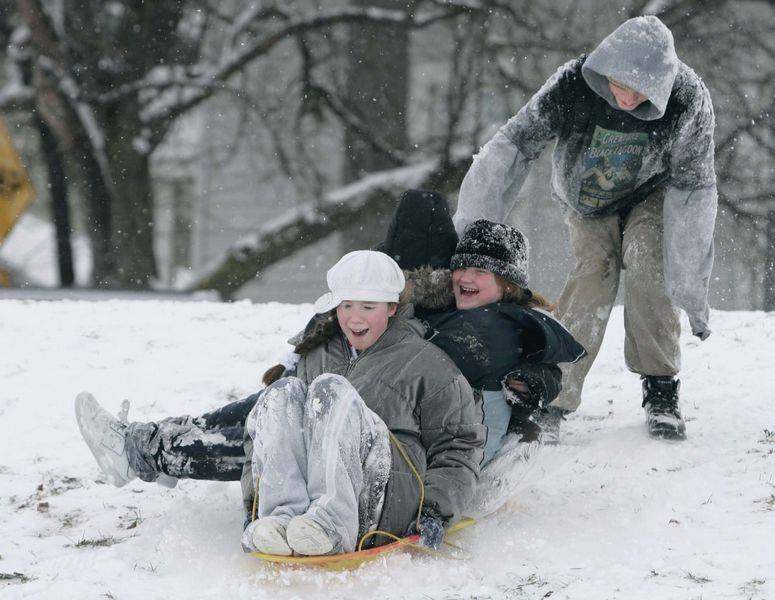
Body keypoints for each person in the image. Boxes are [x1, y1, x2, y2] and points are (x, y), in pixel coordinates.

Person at [453, 16, 717, 441]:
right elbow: (514, 146)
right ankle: (553, 392)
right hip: (585, 196)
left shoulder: (687, 99)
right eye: (618, 83)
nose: (625, 96)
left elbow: (695, 192)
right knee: (595, 271)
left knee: (647, 262)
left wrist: (691, 286)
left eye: (639, 88)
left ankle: (661, 388)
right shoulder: (573, 84)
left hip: (653, 193)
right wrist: (472, 226)